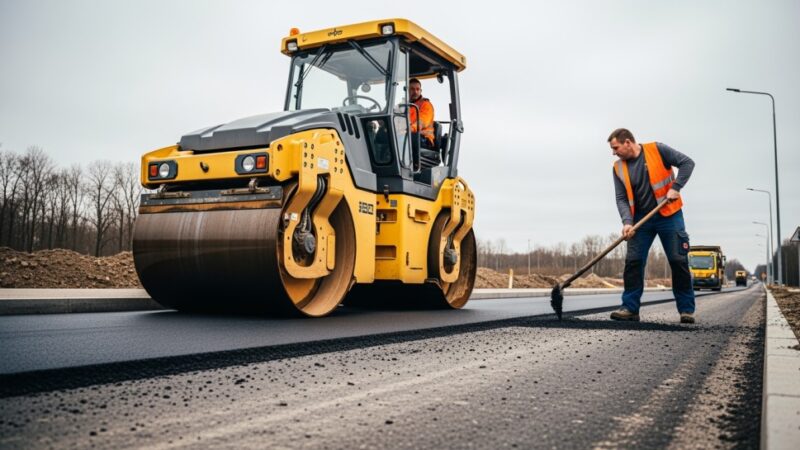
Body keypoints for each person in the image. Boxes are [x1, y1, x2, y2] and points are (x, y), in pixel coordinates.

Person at [607, 128, 697, 323]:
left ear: (628, 142)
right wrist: (627, 222)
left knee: (677, 260)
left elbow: (687, 163)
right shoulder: (618, 168)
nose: (614, 153)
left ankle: (686, 310)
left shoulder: (657, 150)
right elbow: (621, 198)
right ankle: (630, 308)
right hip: (641, 219)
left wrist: (676, 187)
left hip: (669, 214)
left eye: (615, 148)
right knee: (633, 261)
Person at [408, 78, 435, 149]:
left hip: (423, 138)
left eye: (417, 89)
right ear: (407, 90)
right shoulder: (403, 106)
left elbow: (422, 122)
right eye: (412, 89)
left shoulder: (426, 105)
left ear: (421, 91)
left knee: (407, 138)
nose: (415, 92)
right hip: (408, 134)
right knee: (382, 134)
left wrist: (408, 129)